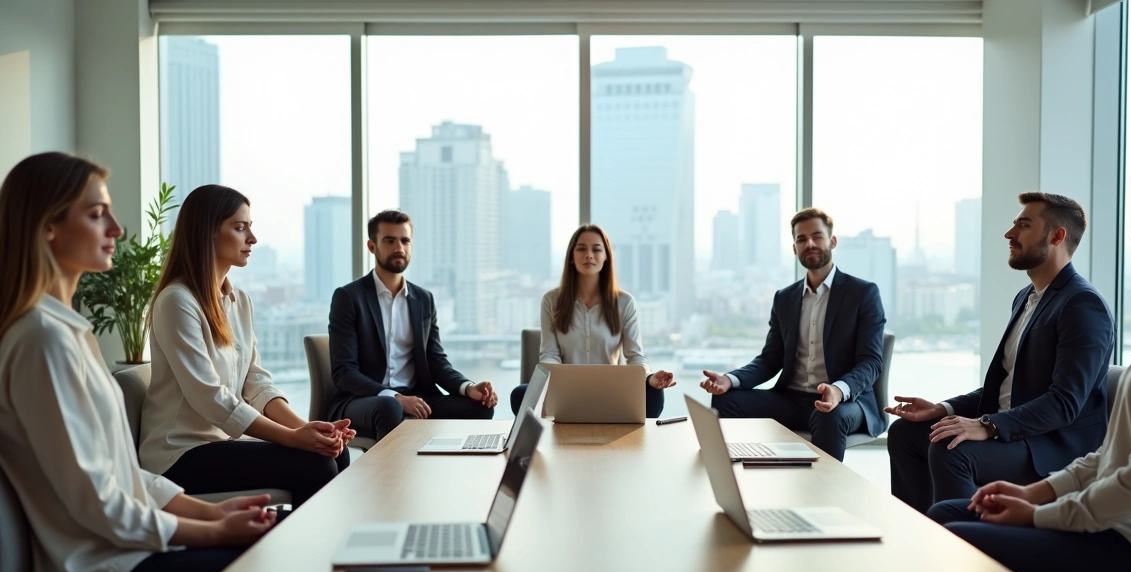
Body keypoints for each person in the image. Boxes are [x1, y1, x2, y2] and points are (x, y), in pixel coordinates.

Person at [0, 153, 276, 572]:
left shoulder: (67, 332)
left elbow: (120, 473)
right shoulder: (42, 341)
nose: (116, 228)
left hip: (127, 553)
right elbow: (95, 501)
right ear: (48, 228)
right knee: (267, 566)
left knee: (271, 549)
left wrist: (212, 513)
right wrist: (213, 533)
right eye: (96, 214)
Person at [928, 167, 1131, 572]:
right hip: (1118, 525)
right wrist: (1033, 493)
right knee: (945, 515)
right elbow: (1113, 455)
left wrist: (1037, 515)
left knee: (956, 541)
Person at [886, 192, 1114, 514]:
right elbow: (1009, 387)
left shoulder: (1082, 304)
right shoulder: (1026, 297)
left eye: (1024, 225)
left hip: (1051, 446)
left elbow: (1064, 403)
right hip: (1016, 433)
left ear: (1056, 237)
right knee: (906, 433)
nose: (1009, 234)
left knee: (951, 448)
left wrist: (988, 425)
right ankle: (920, 532)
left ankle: (966, 539)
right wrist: (943, 409)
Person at [140, 185, 352, 507]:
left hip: (221, 443)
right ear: (207, 233)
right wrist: (293, 438)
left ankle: (313, 535)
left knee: (335, 452)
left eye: (250, 227)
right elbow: (211, 399)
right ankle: (300, 539)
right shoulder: (177, 302)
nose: (252, 238)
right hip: (178, 454)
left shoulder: (239, 301)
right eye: (240, 228)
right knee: (316, 465)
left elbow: (257, 384)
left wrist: (309, 430)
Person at [699, 208, 886, 462]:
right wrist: (729, 380)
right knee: (726, 400)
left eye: (817, 236)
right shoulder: (785, 298)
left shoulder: (863, 293)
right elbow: (770, 359)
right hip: (792, 400)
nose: (809, 244)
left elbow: (871, 362)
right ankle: (737, 477)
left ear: (832, 241)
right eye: (801, 239)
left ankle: (823, 486)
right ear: (794, 248)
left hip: (845, 403)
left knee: (828, 415)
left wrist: (838, 390)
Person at [328, 210, 496, 441]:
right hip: (363, 400)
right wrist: (393, 396)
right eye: (389, 241)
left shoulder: (424, 299)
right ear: (372, 246)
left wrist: (468, 387)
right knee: (390, 407)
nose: (399, 247)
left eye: (405, 241)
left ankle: (449, 463)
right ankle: (391, 466)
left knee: (480, 407)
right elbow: (344, 372)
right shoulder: (349, 297)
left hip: (417, 396)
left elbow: (436, 361)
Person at [509, 224, 675, 418]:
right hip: (566, 392)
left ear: (606, 257)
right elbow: (549, 354)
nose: (589, 255)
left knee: (654, 395)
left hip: (612, 391)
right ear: (572, 257)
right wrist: (553, 383)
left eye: (596, 250)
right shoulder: (551, 300)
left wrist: (649, 378)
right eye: (581, 249)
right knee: (520, 394)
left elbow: (635, 356)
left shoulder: (624, 302)